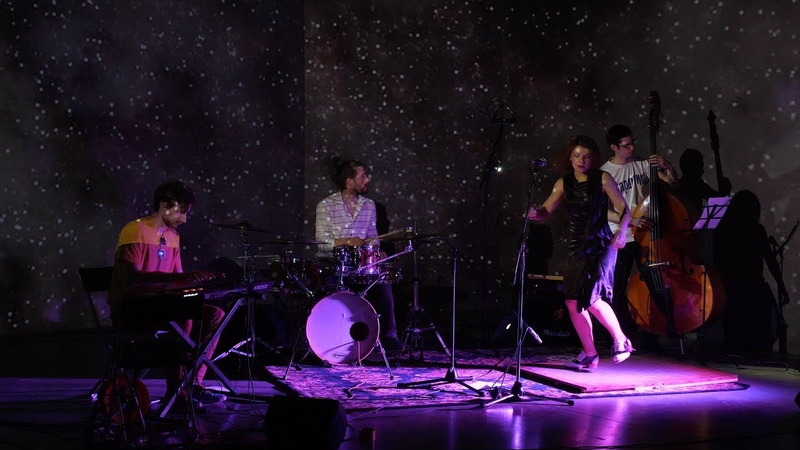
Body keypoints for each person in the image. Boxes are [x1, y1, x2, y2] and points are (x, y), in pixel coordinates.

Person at [107, 180, 227, 406]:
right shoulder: (134, 230)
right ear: (163, 206)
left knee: (215, 315)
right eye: (181, 211)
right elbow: (133, 280)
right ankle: (176, 392)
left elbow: (177, 277)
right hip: (132, 308)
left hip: (161, 306)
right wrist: (184, 279)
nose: (184, 219)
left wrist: (201, 283)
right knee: (184, 314)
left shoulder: (173, 237)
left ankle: (192, 383)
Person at [527, 135, 634, 369]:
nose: (581, 160)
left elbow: (624, 209)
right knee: (572, 301)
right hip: (577, 246)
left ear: (593, 158)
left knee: (592, 298)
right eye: (576, 156)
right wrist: (536, 213)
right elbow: (546, 210)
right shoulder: (563, 183)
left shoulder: (603, 179)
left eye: (586, 156)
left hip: (602, 243)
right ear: (570, 157)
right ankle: (590, 354)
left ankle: (622, 341)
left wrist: (621, 232)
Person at [600, 124, 679, 345]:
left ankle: (663, 331)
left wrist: (668, 166)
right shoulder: (604, 173)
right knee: (616, 288)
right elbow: (600, 211)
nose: (632, 147)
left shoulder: (640, 165)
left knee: (656, 282)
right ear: (614, 147)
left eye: (633, 142)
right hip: (621, 235)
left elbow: (673, 183)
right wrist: (630, 220)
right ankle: (619, 336)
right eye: (627, 145)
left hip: (643, 235)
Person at [315, 157, 402, 351]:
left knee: (383, 283)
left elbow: (373, 237)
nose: (367, 179)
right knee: (329, 287)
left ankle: (388, 338)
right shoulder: (326, 205)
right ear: (349, 181)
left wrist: (377, 251)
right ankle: (327, 343)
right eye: (363, 176)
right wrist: (347, 241)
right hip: (334, 264)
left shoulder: (369, 205)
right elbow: (322, 242)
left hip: (361, 265)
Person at [713, 190, 790, 355]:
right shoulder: (757, 230)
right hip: (752, 286)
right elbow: (770, 260)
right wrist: (781, 286)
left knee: (734, 329)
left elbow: (717, 259)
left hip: (731, 287)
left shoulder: (723, 230)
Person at [676, 148, 732, 221]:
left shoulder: (678, 184)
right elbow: (717, 198)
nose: (702, 169)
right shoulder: (696, 183)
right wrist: (726, 191)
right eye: (700, 164)